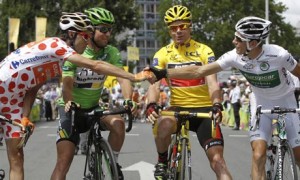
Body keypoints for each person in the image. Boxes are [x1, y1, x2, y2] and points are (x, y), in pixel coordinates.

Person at [148, 16, 300, 180]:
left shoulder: (280, 54)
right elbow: (199, 71)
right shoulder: (234, 56)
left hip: (287, 101)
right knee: (258, 154)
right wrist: (164, 73)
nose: (234, 41)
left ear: (253, 43)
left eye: (238, 39)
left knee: (298, 155)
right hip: (261, 104)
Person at [0, 12, 148, 180]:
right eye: (85, 36)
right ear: (71, 34)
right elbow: (96, 65)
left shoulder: (57, 60)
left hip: (13, 102)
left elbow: (34, 86)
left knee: (16, 159)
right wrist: (135, 77)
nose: (87, 41)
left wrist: (25, 116)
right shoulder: (57, 46)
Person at [146, 5, 232, 180]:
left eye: (182, 26)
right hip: (177, 108)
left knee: (218, 162)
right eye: (173, 28)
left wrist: (217, 105)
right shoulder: (162, 53)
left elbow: (212, 83)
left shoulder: (204, 51)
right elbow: (154, 84)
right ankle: (162, 160)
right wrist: (151, 104)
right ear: (169, 30)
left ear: (190, 26)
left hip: (204, 110)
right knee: (163, 124)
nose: (178, 31)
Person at [50, 7, 137, 180]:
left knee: (118, 124)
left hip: (94, 108)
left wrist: (128, 100)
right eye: (103, 29)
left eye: (110, 29)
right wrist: (69, 101)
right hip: (71, 109)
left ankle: (113, 164)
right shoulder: (75, 51)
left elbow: (123, 78)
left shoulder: (111, 52)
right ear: (90, 31)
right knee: (63, 163)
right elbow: (66, 83)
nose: (108, 34)